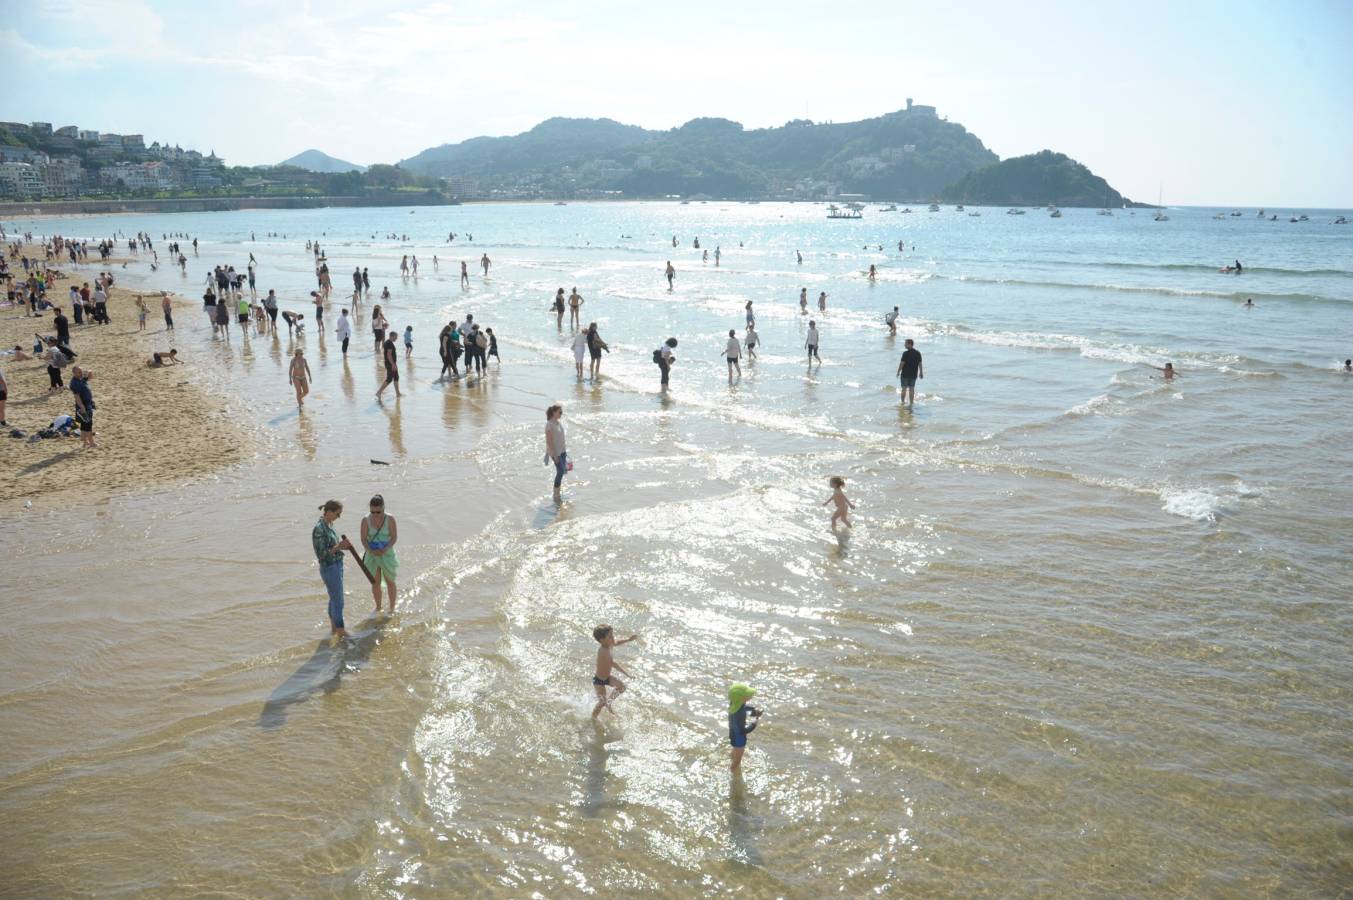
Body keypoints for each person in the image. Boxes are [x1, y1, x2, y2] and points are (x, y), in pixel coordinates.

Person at [313, 500, 355, 641]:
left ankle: (334, 628)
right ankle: (341, 630)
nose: (339, 517)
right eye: (338, 514)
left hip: (336, 565)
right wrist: (339, 546)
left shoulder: (329, 525)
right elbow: (322, 554)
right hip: (329, 568)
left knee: (334, 599)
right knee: (339, 601)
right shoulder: (319, 529)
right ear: (329, 512)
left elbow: (333, 548)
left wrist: (342, 546)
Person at [360, 494, 399, 613]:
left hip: (386, 553)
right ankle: (378, 607)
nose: (375, 514)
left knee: (390, 582)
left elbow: (394, 538)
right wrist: (372, 551)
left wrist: (385, 549)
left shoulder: (390, 519)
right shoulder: (365, 520)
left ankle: (392, 609)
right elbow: (363, 539)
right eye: (372, 512)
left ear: (383, 508)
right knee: (375, 583)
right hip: (372, 554)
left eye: (378, 512)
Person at [591, 624, 637, 718]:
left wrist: (629, 639)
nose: (613, 638)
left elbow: (617, 642)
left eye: (612, 635)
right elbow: (613, 664)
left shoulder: (609, 644)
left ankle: (609, 702)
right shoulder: (603, 651)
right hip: (599, 681)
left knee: (622, 687)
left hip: (607, 678)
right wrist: (627, 674)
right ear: (602, 640)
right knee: (601, 702)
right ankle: (593, 718)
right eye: (610, 637)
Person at [728, 683, 762, 772]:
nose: (751, 695)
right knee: (737, 760)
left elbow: (744, 707)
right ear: (742, 698)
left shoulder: (733, 705)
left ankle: (731, 758)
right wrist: (754, 722)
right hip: (740, 739)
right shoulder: (739, 714)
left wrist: (753, 709)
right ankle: (733, 774)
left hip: (732, 734)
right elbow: (743, 730)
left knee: (735, 750)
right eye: (748, 695)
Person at [545, 403, 569, 499]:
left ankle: (557, 490)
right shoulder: (549, 425)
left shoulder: (558, 423)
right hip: (555, 453)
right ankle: (556, 494)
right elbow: (549, 442)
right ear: (554, 412)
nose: (561, 414)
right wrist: (554, 456)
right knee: (560, 471)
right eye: (560, 412)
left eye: (561, 412)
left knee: (563, 471)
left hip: (562, 451)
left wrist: (565, 451)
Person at [70, 366, 95, 449]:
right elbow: (77, 397)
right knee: (88, 424)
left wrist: (89, 371)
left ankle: (85, 443)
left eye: (81, 371)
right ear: (74, 373)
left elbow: (90, 377)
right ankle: (92, 443)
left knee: (84, 424)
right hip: (84, 405)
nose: (81, 373)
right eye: (79, 372)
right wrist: (82, 407)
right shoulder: (74, 383)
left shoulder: (80, 379)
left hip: (88, 404)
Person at [897, 338, 923, 406]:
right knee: (912, 389)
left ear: (909, 344)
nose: (904, 345)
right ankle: (911, 403)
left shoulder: (905, 353)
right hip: (913, 374)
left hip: (905, 374)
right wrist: (921, 372)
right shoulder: (918, 353)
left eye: (905, 343)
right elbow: (920, 363)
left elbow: (902, 363)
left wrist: (898, 371)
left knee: (904, 389)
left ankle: (902, 403)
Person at [377, 330, 401, 400]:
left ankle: (398, 393)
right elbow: (389, 355)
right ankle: (379, 392)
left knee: (396, 377)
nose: (396, 338)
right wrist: (393, 364)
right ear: (392, 336)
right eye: (396, 337)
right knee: (389, 379)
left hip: (391, 363)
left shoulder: (387, 342)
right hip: (390, 364)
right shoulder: (389, 344)